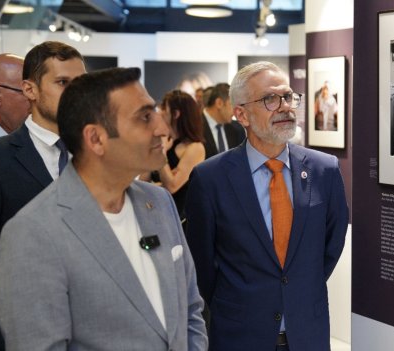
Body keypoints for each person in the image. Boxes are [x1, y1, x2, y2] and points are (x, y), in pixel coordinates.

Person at [0, 67, 208, 351]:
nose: (162, 129)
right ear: (95, 139)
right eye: (144, 117)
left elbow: (190, 310)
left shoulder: (158, 203)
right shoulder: (33, 233)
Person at [185, 61, 349, 351]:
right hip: (240, 336)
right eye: (270, 99)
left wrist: (295, 287)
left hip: (307, 335)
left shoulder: (324, 170)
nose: (285, 107)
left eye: (288, 97)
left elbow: (330, 247)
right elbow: (202, 266)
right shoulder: (210, 179)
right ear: (242, 115)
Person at [0, 41, 85, 350]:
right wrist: (45, 264)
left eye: (81, 84)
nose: (76, 94)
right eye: (63, 83)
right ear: (30, 90)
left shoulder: (97, 157)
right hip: (14, 333)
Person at [147, 90, 205, 223]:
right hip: (154, 213)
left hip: (178, 219)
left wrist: (162, 153)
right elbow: (143, 181)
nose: (159, 112)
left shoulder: (194, 148)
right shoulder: (162, 141)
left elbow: (171, 186)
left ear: (176, 114)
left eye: (164, 108)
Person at [201, 83, 245, 159]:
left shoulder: (236, 129)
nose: (236, 111)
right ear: (219, 103)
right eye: (232, 105)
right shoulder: (194, 127)